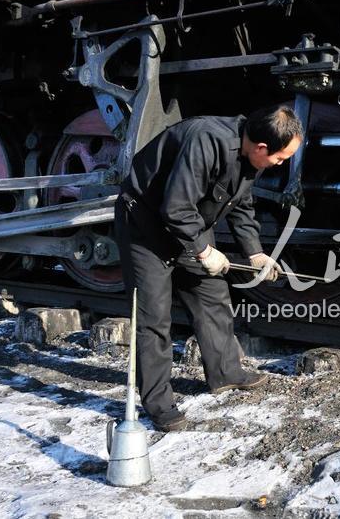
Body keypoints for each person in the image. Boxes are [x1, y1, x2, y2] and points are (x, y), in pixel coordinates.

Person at [114, 105, 304, 432]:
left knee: (212, 296)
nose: (280, 163)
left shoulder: (251, 155)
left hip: (189, 224)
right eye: (281, 157)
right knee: (154, 317)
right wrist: (203, 250)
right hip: (145, 226)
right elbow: (175, 207)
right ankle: (159, 406)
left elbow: (241, 204)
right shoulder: (205, 140)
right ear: (262, 147)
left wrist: (255, 253)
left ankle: (226, 372)